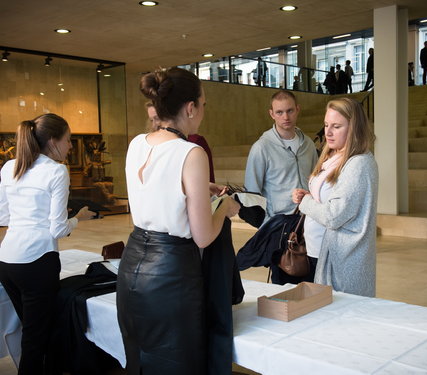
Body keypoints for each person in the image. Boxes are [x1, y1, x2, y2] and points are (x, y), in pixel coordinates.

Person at [117, 67, 240, 375]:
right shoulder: (191, 152)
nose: (203, 111)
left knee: (140, 361)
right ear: (189, 108)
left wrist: (199, 190)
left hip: (132, 267)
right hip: (171, 274)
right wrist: (224, 206)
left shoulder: (136, 143)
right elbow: (203, 236)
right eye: (203, 104)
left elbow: (156, 190)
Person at [0, 114, 95, 374]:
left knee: (32, 329)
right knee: (36, 338)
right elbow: (58, 229)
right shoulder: (56, 171)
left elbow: (2, 216)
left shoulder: (10, 167)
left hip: (7, 261)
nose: (70, 146)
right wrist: (77, 218)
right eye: (68, 140)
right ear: (53, 141)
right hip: (37, 261)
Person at [292, 98, 378, 297]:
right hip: (318, 249)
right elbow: (331, 199)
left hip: (341, 257)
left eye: (336, 126)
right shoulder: (332, 156)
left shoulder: (359, 163)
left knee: (338, 317)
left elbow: (334, 215)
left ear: (354, 128)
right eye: (326, 125)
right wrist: (310, 195)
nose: (328, 132)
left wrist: (305, 203)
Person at [244, 90, 317, 284]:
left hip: (308, 222)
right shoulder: (261, 147)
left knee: (310, 279)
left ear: (298, 110)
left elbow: (316, 182)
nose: (285, 117)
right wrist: (266, 226)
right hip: (280, 226)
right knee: (284, 284)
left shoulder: (308, 144)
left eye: (290, 111)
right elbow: (251, 192)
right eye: (279, 112)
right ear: (271, 114)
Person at [146, 102, 216, 182]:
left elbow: (207, 181)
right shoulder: (149, 144)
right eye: (151, 120)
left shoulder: (195, 142)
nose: (154, 125)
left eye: (157, 118)